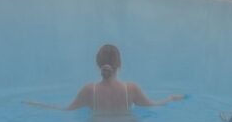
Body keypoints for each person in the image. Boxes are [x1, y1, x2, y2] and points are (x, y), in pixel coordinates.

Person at [25, 44, 184, 114]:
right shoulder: (131, 89)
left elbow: (65, 110)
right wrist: (170, 98)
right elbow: (153, 106)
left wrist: (37, 104)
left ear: (98, 64)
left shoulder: (89, 90)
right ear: (119, 64)